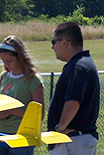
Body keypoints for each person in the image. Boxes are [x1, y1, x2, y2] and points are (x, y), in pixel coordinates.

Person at [47, 22, 100, 155]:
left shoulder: (78, 67)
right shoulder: (83, 63)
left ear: (64, 42)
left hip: (73, 142)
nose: (52, 47)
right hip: (77, 141)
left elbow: (73, 102)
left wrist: (60, 128)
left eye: (54, 42)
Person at [0, 35, 44, 155]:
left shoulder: (33, 79)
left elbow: (39, 116)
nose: (6, 64)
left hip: (22, 137)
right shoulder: (4, 77)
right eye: (3, 61)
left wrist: (11, 111)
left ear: (20, 57)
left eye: (9, 61)